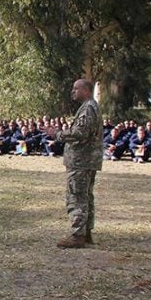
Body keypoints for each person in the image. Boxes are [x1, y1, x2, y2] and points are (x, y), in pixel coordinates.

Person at [45, 79, 103, 248]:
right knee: (85, 196)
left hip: (81, 160)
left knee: (76, 196)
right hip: (86, 160)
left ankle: (78, 235)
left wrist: (57, 134)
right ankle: (85, 234)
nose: (72, 91)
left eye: (76, 89)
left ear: (86, 90)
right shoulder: (90, 107)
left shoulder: (88, 108)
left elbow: (80, 133)